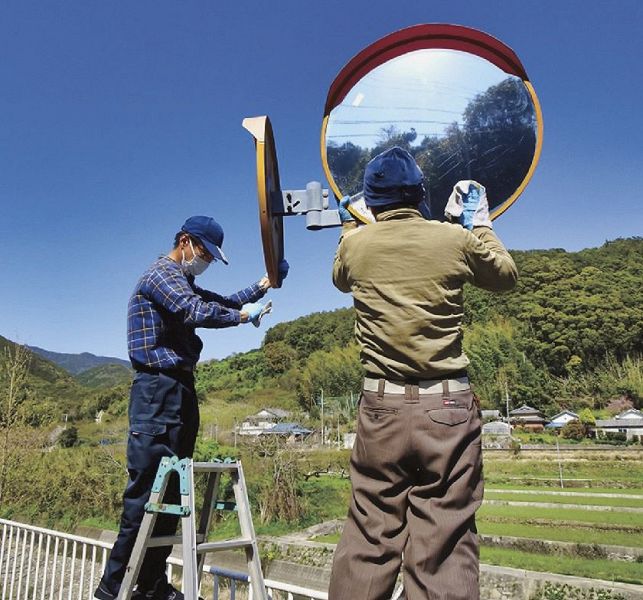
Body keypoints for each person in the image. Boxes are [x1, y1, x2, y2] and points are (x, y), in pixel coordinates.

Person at [328, 147, 517, 600]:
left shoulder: (355, 246)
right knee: (444, 538)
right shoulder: (452, 240)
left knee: (370, 532)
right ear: (420, 193)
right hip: (447, 406)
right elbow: (505, 276)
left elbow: (340, 274)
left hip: (381, 407)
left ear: (371, 202)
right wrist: (481, 226)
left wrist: (352, 224)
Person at [95, 216, 288, 600]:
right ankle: (113, 588)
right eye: (203, 253)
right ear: (184, 241)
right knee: (145, 496)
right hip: (155, 391)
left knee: (169, 498)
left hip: (181, 389)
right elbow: (194, 311)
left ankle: (151, 585)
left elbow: (220, 302)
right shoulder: (161, 275)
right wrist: (243, 317)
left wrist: (262, 285)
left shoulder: (183, 280)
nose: (205, 261)